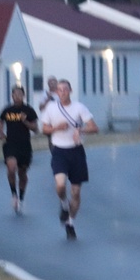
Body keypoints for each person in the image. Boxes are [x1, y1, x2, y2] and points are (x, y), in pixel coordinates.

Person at [40, 79, 98, 239]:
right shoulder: (51, 108)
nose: (63, 92)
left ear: (70, 90)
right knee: (60, 186)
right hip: (59, 151)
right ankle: (64, 204)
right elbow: (44, 128)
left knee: (76, 192)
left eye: (65, 89)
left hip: (76, 152)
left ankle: (70, 223)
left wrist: (82, 130)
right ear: (56, 92)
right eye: (59, 90)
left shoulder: (79, 107)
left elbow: (94, 127)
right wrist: (56, 128)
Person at [0, 86, 38, 215]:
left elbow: (35, 129)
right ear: (12, 96)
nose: (18, 96)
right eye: (15, 94)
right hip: (10, 144)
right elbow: (0, 120)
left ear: (24, 96)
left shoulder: (29, 110)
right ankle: (14, 194)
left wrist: (24, 121)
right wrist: (1, 132)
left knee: (22, 173)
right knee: (11, 167)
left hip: (24, 145)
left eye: (20, 94)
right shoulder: (7, 110)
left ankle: (21, 198)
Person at [38, 75, 59, 150]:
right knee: (51, 138)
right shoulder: (44, 94)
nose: (52, 84)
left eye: (54, 82)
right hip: (49, 120)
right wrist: (48, 98)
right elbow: (41, 107)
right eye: (50, 83)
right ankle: (53, 152)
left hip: (59, 119)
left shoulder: (61, 93)